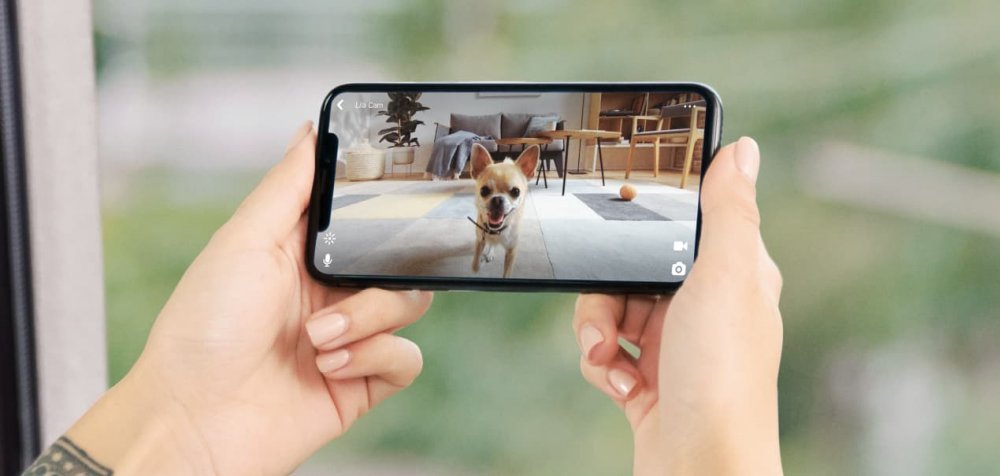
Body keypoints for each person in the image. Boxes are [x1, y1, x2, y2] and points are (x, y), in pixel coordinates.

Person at [23, 123, 782, 475]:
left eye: (505, 191)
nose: (494, 198)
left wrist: (183, 418)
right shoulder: (480, 198)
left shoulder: (513, 205)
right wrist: (715, 452)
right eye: (486, 188)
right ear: (476, 181)